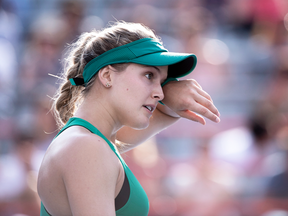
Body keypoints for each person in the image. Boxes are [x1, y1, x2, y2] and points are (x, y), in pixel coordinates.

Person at [37, 21, 221, 216]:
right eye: (149, 75)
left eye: (162, 81)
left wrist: (168, 91)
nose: (159, 92)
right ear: (107, 76)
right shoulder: (86, 147)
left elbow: (167, 112)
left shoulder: (94, 140)